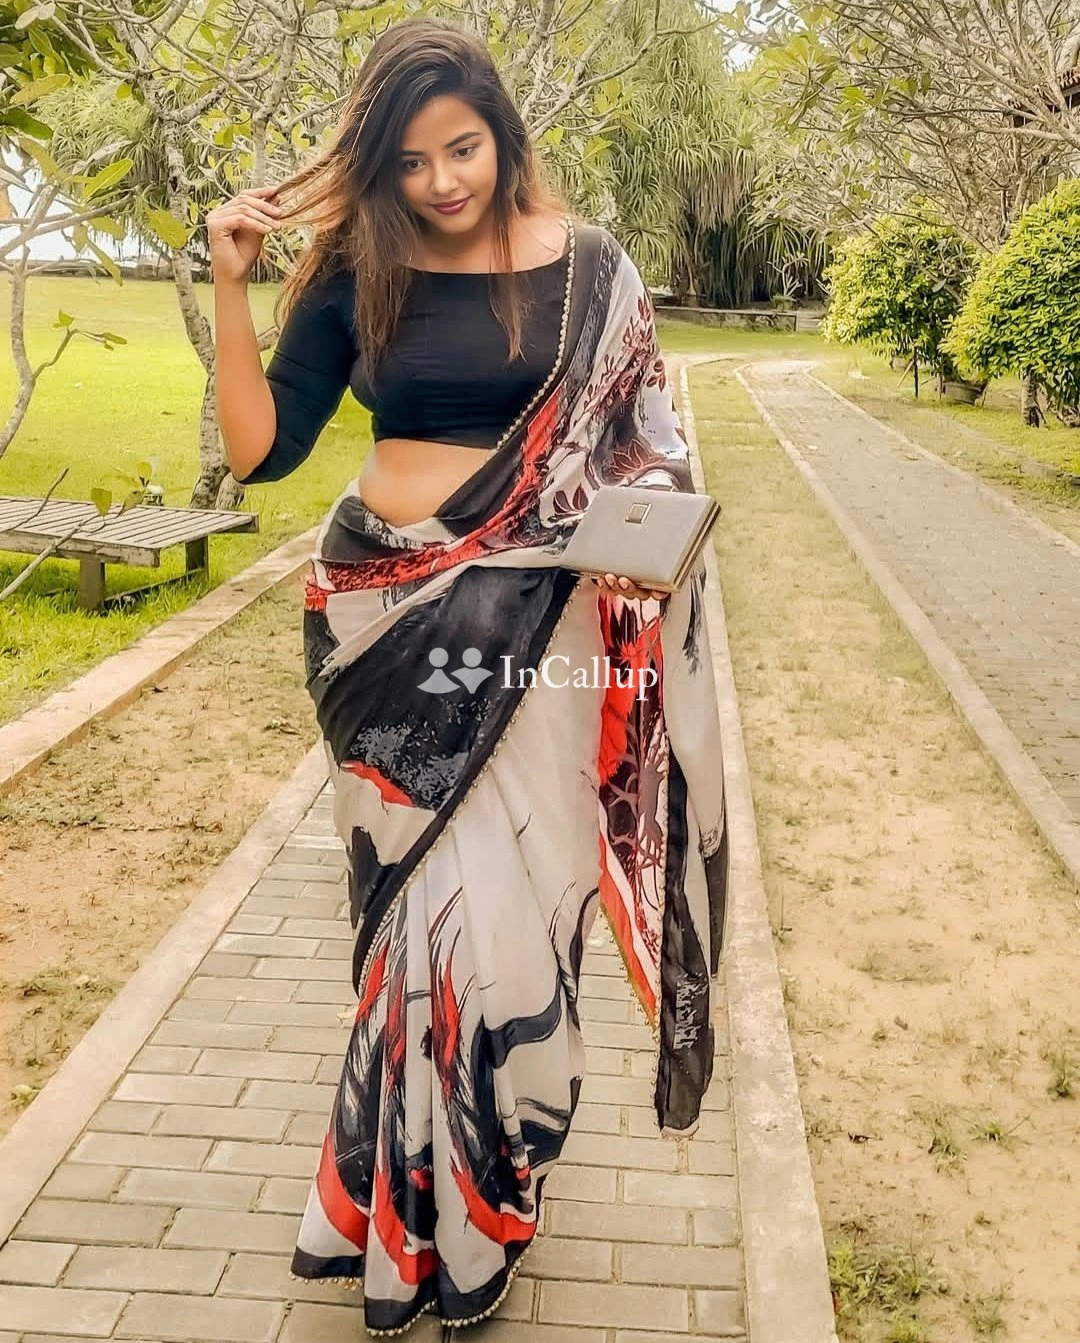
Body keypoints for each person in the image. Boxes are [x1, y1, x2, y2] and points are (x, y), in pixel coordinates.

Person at [207, 15, 728, 1337]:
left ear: (503, 135)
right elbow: (264, 452)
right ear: (377, 166)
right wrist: (231, 285)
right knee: (414, 934)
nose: (442, 180)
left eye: (464, 149)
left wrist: (638, 536)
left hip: (536, 640)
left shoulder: (589, 268)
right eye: (411, 160)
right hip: (378, 631)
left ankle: (489, 1193)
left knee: (510, 927)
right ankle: (397, 1213)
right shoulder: (354, 271)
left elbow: (652, 443)